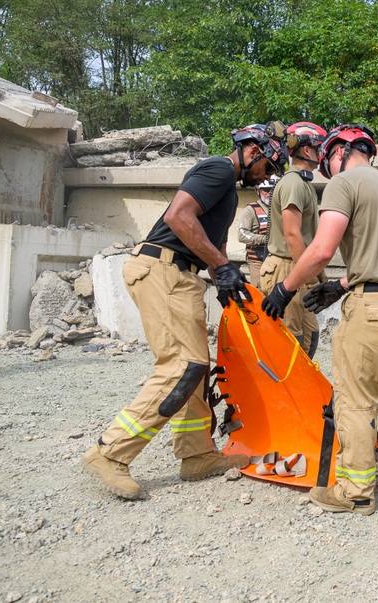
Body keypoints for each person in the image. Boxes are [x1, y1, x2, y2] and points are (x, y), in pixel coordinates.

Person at [81, 123, 286, 499]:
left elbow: (210, 242)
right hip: (163, 269)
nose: (268, 176)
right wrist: (220, 267)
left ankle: (196, 456)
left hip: (181, 273)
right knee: (181, 367)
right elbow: (179, 217)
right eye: (269, 167)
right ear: (254, 152)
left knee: (198, 366)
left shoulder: (226, 190)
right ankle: (111, 452)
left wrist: (225, 277)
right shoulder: (219, 170)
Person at [260, 124, 378, 516]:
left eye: (328, 162)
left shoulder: (344, 183)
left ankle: (355, 491)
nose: (328, 171)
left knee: (355, 400)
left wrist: (285, 288)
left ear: (339, 153)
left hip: (374, 312)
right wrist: (340, 284)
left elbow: (321, 249)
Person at [259, 122, 326, 357]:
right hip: (287, 268)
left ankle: (300, 394)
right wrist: (308, 279)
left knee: (308, 340)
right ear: (306, 151)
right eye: (318, 147)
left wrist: (318, 275)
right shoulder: (293, 184)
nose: (322, 153)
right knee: (289, 342)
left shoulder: (302, 183)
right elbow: (292, 235)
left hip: (297, 267)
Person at [238, 179, 274, 288]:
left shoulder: (281, 208)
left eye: (273, 189)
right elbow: (242, 234)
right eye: (266, 190)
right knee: (260, 294)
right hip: (258, 261)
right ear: (258, 191)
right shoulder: (250, 209)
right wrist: (265, 239)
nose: (270, 193)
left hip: (278, 260)